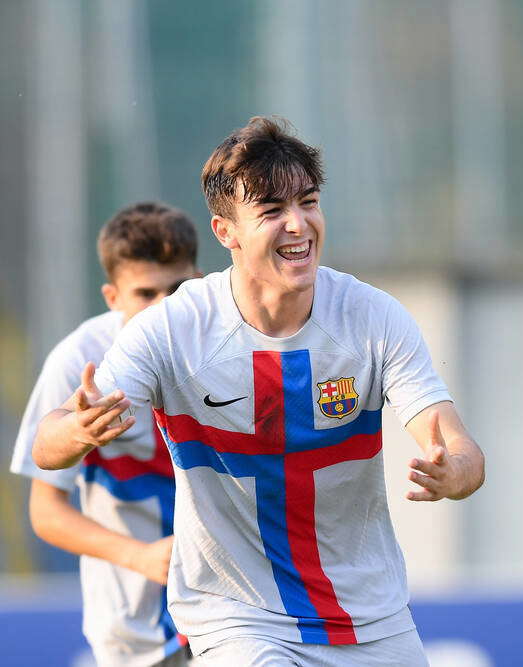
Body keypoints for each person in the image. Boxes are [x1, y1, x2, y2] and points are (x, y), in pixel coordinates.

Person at [33, 116, 486, 666]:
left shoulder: (373, 317)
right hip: (238, 619)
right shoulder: (173, 328)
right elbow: (46, 447)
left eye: (309, 202)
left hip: (372, 616)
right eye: (272, 211)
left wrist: (452, 472)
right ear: (226, 232)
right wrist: (76, 429)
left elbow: (461, 451)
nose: (298, 225)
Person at [10, 202, 199, 666]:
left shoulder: (229, 344)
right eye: (145, 293)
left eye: (176, 289)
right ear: (112, 297)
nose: (164, 309)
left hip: (236, 614)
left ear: (199, 280)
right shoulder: (78, 362)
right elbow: (46, 513)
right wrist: (139, 556)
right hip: (132, 632)